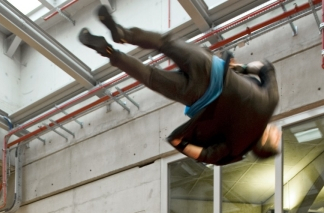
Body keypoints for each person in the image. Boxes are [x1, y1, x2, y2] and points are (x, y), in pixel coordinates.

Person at [79, 6, 280, 166]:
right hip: (196, 97)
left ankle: (123, 34)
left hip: (212, 69)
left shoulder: (270, 102)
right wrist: (180, 143)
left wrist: (242, 68)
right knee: (150, 77)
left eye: (277, 138)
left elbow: (266, 68)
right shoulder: (236, 149)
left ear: (267, 140)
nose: (278, 133)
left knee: (165, 42)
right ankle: (109, 52)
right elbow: (207, 155)